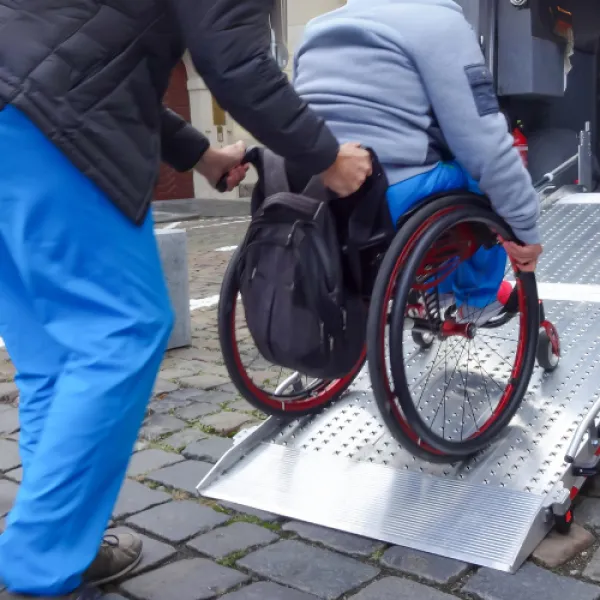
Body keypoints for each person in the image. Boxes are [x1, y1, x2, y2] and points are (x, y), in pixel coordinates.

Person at [0, 1, 373, 599]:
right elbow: (236, 63)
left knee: (55, 361)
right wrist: (326, 157)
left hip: (24, 112)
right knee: (120, 331)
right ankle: (41, 561)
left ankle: (63, 542)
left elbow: (91, 58)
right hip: (46, 127)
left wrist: (199, 153)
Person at [293, 0, 544, 324]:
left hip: (314, 197)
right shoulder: (439, 22)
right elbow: (486, 146)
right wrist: (526, 228)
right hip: (388, 200)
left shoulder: (316, 28)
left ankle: (430, 293)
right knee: (482, 177)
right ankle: (476, 298)